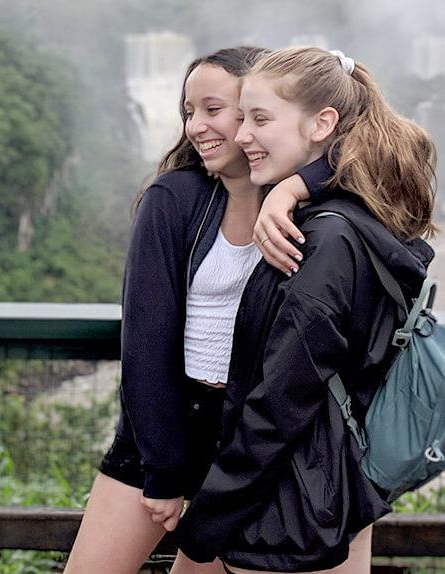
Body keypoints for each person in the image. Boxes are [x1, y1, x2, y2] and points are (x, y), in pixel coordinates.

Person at [63, 46, 335, 574]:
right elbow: (145, 344)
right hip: (166, 430)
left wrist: (294, 188)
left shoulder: (317, 208)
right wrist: (164, 473)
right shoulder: (175, 197)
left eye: (213, 109)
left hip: (251, 444)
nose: (195, 126)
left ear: (259, 112)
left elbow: (393, 170)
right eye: (188, 112)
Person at [176, 47, 436, 573]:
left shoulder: (322, 239)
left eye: (260, 119)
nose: (241, 134)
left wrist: (208, 517)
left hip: (286, 511)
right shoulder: (360, 214)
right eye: (242, 117)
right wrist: (296, 186)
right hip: (327, 491)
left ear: (322, 124)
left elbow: (280, 399)